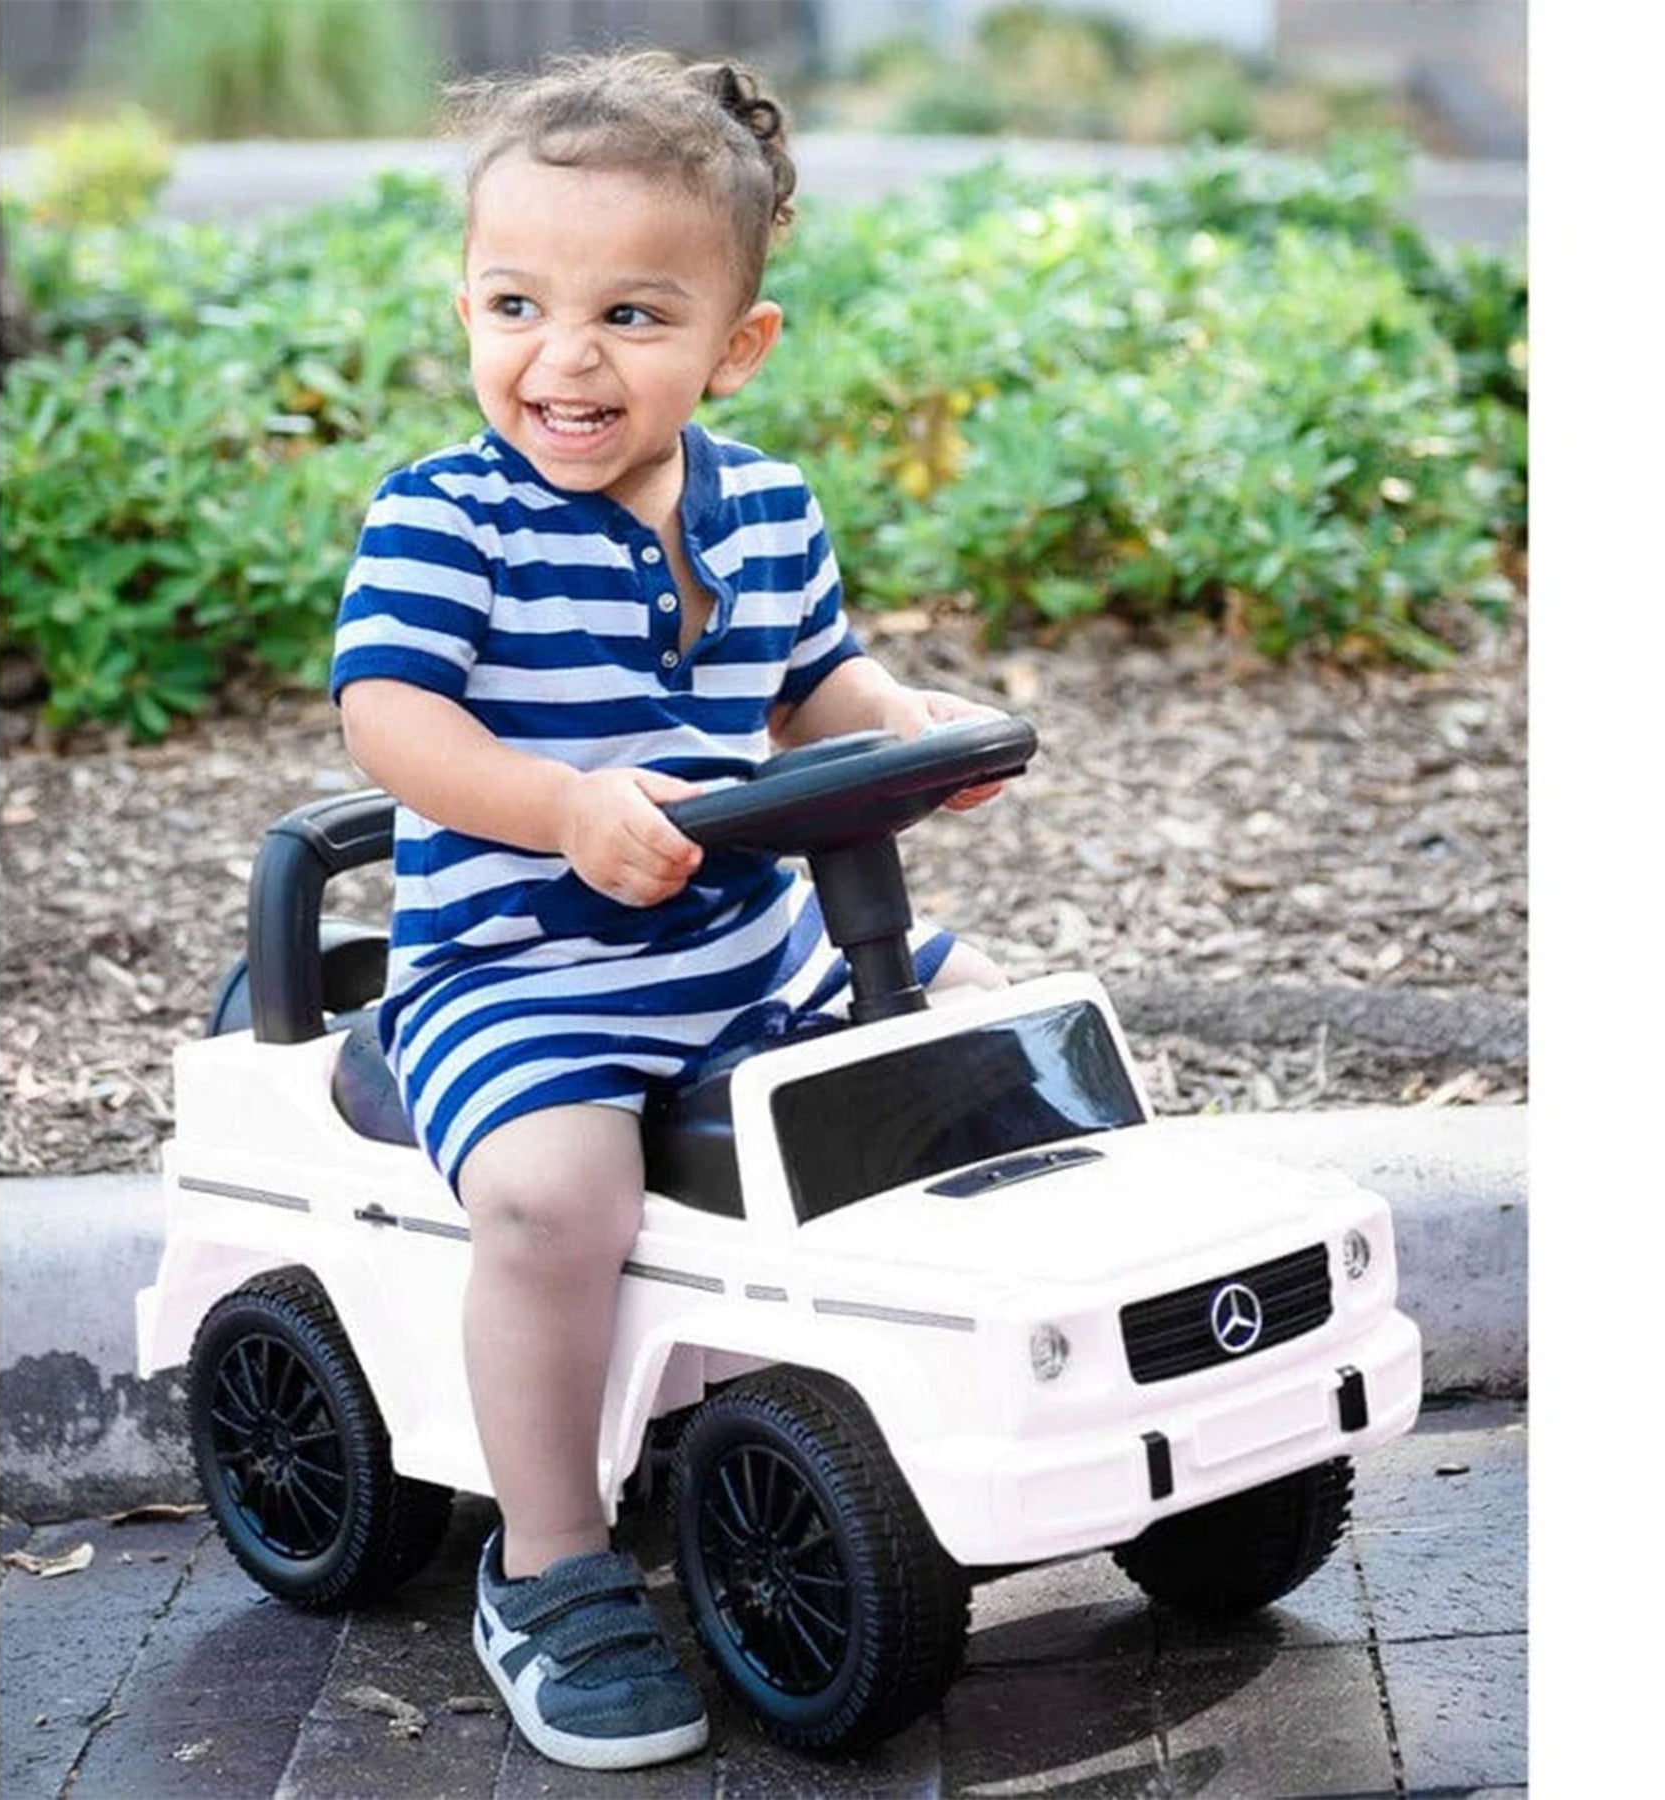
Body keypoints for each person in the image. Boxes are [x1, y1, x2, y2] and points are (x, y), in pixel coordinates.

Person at [330, 48, 1005, 1771]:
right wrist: (562, 807)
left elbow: (816, 685)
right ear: (467, 309)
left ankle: (961, 1388)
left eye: (630, 315)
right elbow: (389, 721)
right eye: (516, 305)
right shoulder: (445, 517)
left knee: (994, 1034)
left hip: (748, 948)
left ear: (735, 344)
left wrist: (903, 725)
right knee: (557, 1195)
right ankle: (550, 1562)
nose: (563, 357)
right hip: (521, 970)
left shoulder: (764, 504)